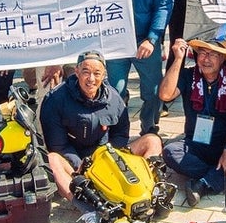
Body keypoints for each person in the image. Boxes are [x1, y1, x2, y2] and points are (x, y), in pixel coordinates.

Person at [40, 51, 159, 199]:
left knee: (152, 140)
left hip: (104, 157)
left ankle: (148, 191)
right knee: (52, 159)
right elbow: (58, 145)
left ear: (104, 75)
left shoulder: (114, 99)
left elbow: (121, 135)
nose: (91, 79)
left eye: (97, 74)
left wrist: (107, 158)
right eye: (86, 72)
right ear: (76, 72)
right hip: (74, 164)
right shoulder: (55, 99)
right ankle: (83, 204)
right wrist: (81, 166)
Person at [156, 38, 226, 199]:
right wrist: (178, 59)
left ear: (222, 58)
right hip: (197, 143)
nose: (206, 59)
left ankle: (205, 183)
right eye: (202, 53)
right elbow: (165, 95)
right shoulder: (188, 75)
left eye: (213, 54)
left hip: (225, 143)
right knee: (170, 152)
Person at [97, 0, 171, 137]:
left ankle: (149, 127)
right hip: (115, 42)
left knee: (153, 90)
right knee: (115, 90)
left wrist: (152, 38)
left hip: (144, 40)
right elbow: (94, 5)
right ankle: (118, 132)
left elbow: (163, 6)